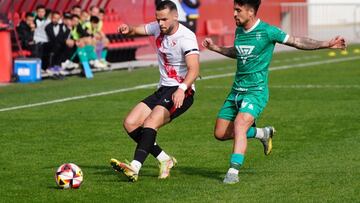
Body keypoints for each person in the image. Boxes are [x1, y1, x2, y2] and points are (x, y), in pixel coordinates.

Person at [202, 0, 346, 184]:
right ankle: (263, 133)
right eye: (234, 10)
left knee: (240, 124)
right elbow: (238, 52)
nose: (234, 14)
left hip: (256, 91)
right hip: (236, 91)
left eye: (238, 10)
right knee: (220, 133)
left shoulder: (268, 31)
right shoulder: (239, 31)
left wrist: (326, 43)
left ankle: (233, 172)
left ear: (251, 11)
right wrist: (216, 48)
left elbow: (297, 41)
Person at [110, 0, 200, 182]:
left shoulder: (186, 37)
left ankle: (134, 167)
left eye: (164, 19)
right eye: (158, 19)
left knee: (150, 122)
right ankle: (164, 159)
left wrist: (182, 89)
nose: (160, 24)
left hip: (182, 91)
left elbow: (194, 69)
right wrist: (129, 29)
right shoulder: (158, 27)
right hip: (163, 89)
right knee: (130, 122)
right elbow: (139, 30)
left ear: (176, 16)